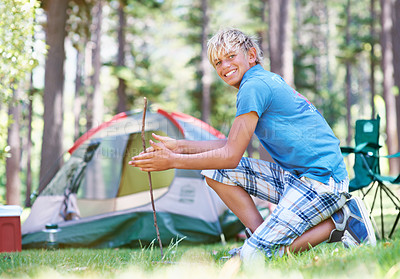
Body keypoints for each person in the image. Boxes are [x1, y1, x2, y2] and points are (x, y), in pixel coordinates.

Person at [129, 28, 376, 262]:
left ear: (251, 55)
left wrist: (173, 161)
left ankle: (342, 221)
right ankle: (261, 239)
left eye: (230, 57)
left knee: (254, 258)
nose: (224, 66)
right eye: (217, 62)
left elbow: (230, 156)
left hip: (322, 182)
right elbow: (231, 144)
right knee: (216, 173)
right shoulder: (260, 82)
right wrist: (180, 146)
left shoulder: (254, 86)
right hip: (301, 179)